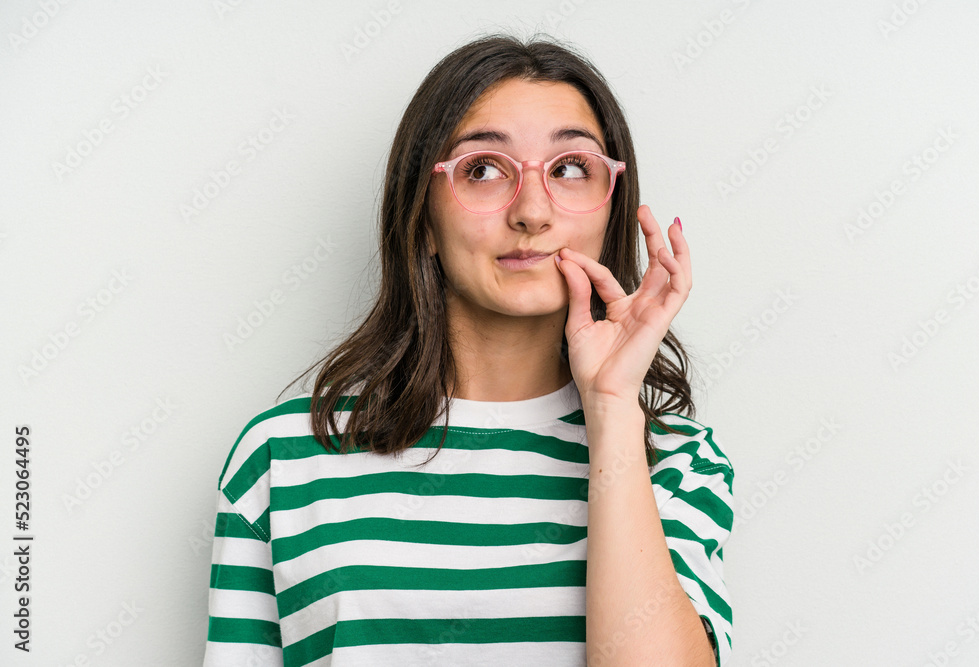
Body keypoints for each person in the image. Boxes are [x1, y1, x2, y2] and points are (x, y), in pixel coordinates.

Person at [203, 32, 734, 667]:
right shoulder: (285, 457)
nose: (533, 211)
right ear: (422, 217)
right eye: (482, 170)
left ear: (609, 209)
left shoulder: (676, 461)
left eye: (570, 169)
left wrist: (614, 409)